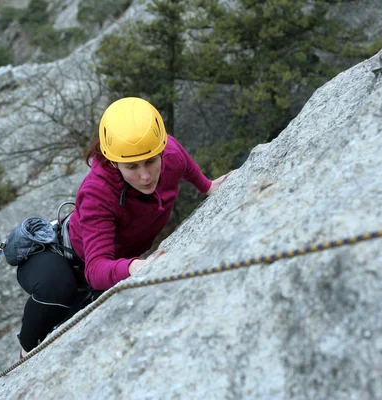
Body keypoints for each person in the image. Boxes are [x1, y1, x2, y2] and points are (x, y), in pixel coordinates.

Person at [16, 97, 231, 357]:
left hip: (106, 264)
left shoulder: (168, 152)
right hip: (65, 260)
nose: (145, 175)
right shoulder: (97, 191)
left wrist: (207, 186)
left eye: (151, 161)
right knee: (58, 292)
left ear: (161, 150)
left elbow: (184, 164)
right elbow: (95, 268)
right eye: (131, 167)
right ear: (113, 161)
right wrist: (132, 266)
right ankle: (26, 350)